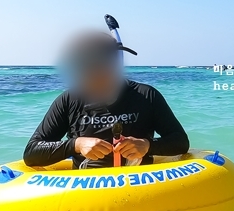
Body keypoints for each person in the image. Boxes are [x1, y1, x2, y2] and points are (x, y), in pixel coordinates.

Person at [23, 31, 189, 168]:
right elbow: (32, 152)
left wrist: (147, 145)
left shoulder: (146, 95)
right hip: (88, 189)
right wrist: (76, 145)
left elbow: (180, 142)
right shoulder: (69, 100)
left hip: (138, 184)